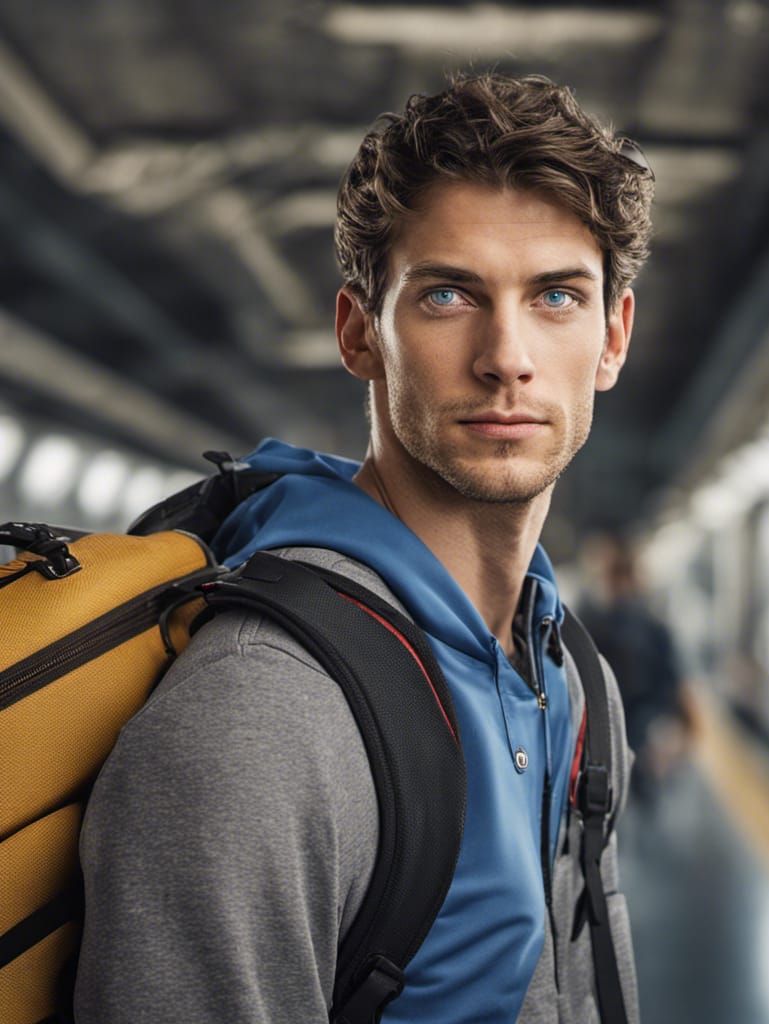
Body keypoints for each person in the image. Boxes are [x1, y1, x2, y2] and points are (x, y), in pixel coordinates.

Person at [74, 72, 654, 1024]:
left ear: (612, 337)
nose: (505, 354)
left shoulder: (573, 680)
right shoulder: (259, 723)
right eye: (448, 296)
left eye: (555, 296)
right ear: (360, 334)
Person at [579, 533, 698, 803]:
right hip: (645, 743)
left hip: (603, 748)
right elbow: (677, 690)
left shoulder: (589, 628)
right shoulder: (656, 629)